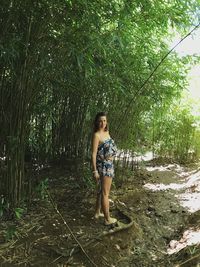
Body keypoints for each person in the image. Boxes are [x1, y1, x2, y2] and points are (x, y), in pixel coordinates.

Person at [92, 112, 117, 225]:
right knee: (105, 193)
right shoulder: (97, 135)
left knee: (101, 191)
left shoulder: (107, 132)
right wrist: (95, 170)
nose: (103, 123)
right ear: (97, 122)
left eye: (105, 121)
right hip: (104, 166)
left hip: (109, 165)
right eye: (100, 121)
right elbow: (93, 154)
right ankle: (107, 219)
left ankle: (97, 212)